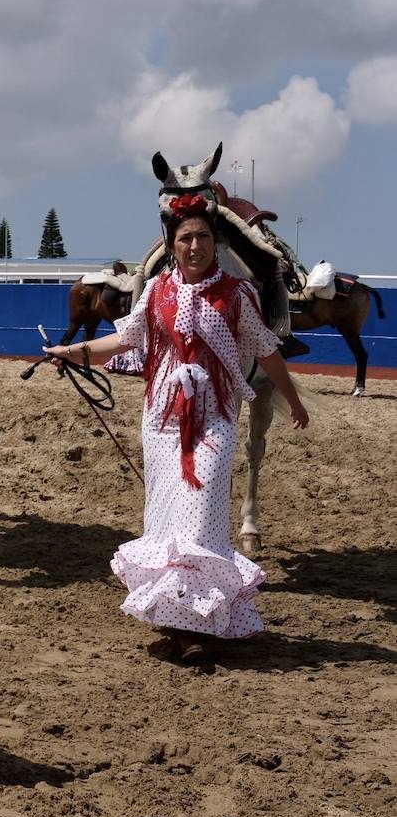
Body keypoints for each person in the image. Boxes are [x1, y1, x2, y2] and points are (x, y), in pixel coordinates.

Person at [43, 192, 308, 662]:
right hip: (162, 419)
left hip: (215, 416)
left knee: (202, 510)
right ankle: (177, 621)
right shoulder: (156, 290)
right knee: (165, 516)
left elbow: (266, 348)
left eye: (203, 236)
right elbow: (124, 340)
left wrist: (292, 398)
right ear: (172, 244)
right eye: (185, 237)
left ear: (214, 243)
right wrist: (71, 353)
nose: (194, 245)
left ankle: (199, 623)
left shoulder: (238, 294)